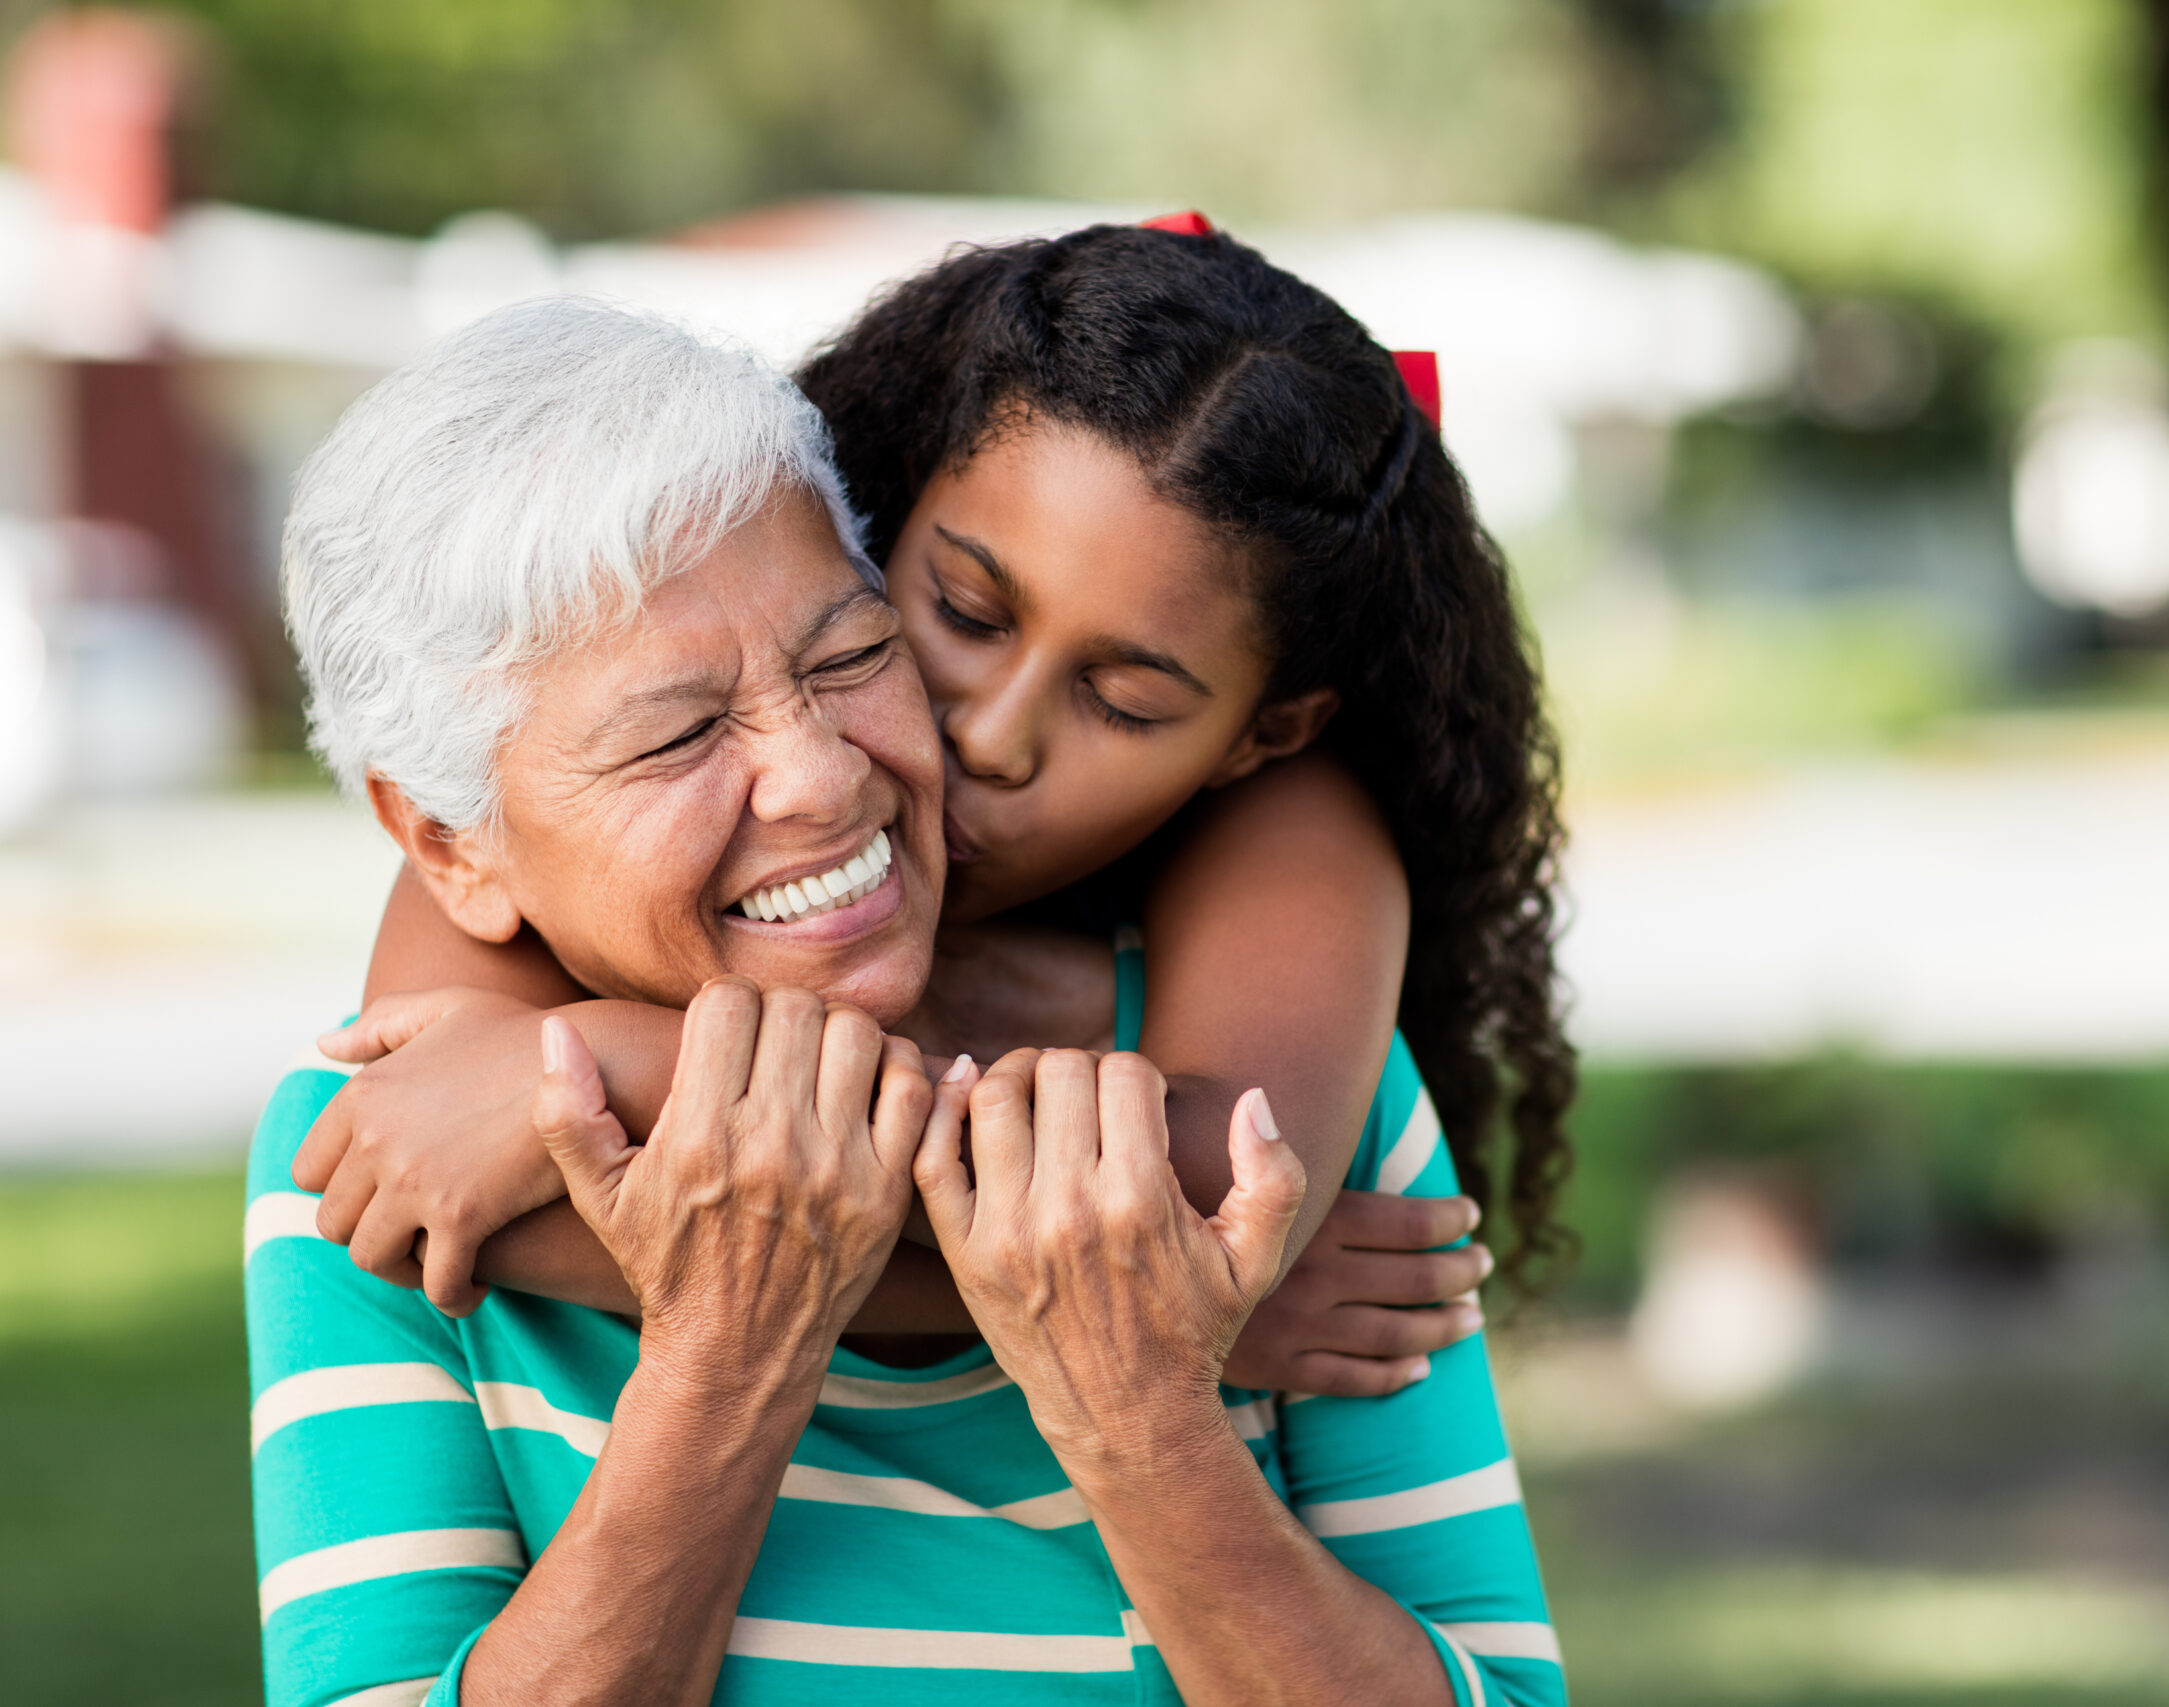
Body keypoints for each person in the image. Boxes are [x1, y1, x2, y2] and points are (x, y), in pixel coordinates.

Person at [249, 296, 1562, 1707]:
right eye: (679, 734)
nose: (825, 775)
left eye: (847, 657)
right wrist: (735, 1348)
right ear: (452, 845)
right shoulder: (387, 1151)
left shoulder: (1281, 1123)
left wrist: (1141, 1402)